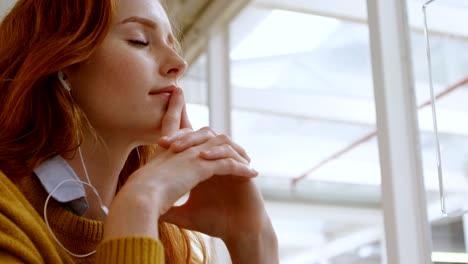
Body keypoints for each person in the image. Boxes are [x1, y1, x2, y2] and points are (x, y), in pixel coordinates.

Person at [0, 0, 279, 263]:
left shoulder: (172, 245)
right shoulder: (7, 215)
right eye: (140, 40)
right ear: (63, 63)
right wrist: (139, 205)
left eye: (172, 42)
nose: (178, 63)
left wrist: (254, 239)